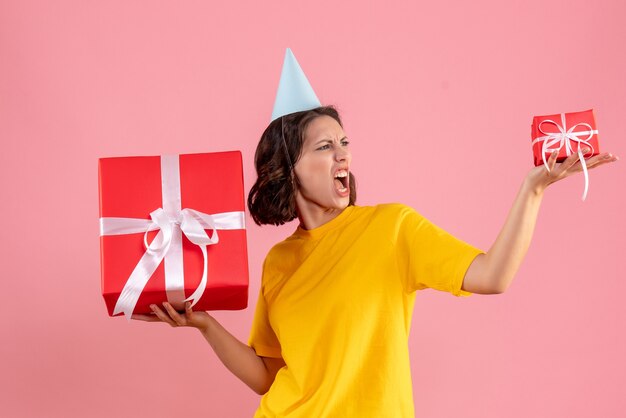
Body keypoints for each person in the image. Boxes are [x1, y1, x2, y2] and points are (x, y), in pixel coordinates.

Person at [133, 50, 618, 417]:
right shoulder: (278, 262)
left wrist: (533, 190)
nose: (343, 155)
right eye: (325, 146)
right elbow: (267, 377)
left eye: (345, 143)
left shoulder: (391, 228)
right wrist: (204, 325)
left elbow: (493, 275)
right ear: (290, 168)